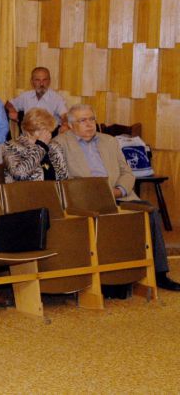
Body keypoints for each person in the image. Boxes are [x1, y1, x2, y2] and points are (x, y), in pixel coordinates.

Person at [53, 104, 180, 291]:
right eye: (83, 120)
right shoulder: (60, 144)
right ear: (71, 125)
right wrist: (97, 193)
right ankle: (111, 278)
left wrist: (119, 190)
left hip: (119, 195)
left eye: (91, 119)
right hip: (86, 199)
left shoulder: (109, 141)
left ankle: (159, 274)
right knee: (106, 219)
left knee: (150, 211)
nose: (89, 124)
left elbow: (127, 172)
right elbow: (63, 179)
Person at [1, 108, 68, 183]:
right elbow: (19, 174)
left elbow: (64, 178)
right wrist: (41, 146)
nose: (49, 134)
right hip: (25, 190)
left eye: (49, 131)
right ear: (31, 130)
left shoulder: (54, 146)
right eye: (45, 130)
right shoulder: (11, 146)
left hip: (53, 190)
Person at [6, 67, 68, 131]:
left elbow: (65, 115)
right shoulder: (25, 96)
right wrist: (12, 110)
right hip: (28, 133)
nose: (41, 84)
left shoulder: (57, 98)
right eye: (37, 80)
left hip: (49, 134)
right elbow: (9, 104)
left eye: (44, 80)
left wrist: (65, 124)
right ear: (32, 81)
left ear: (49, 81)